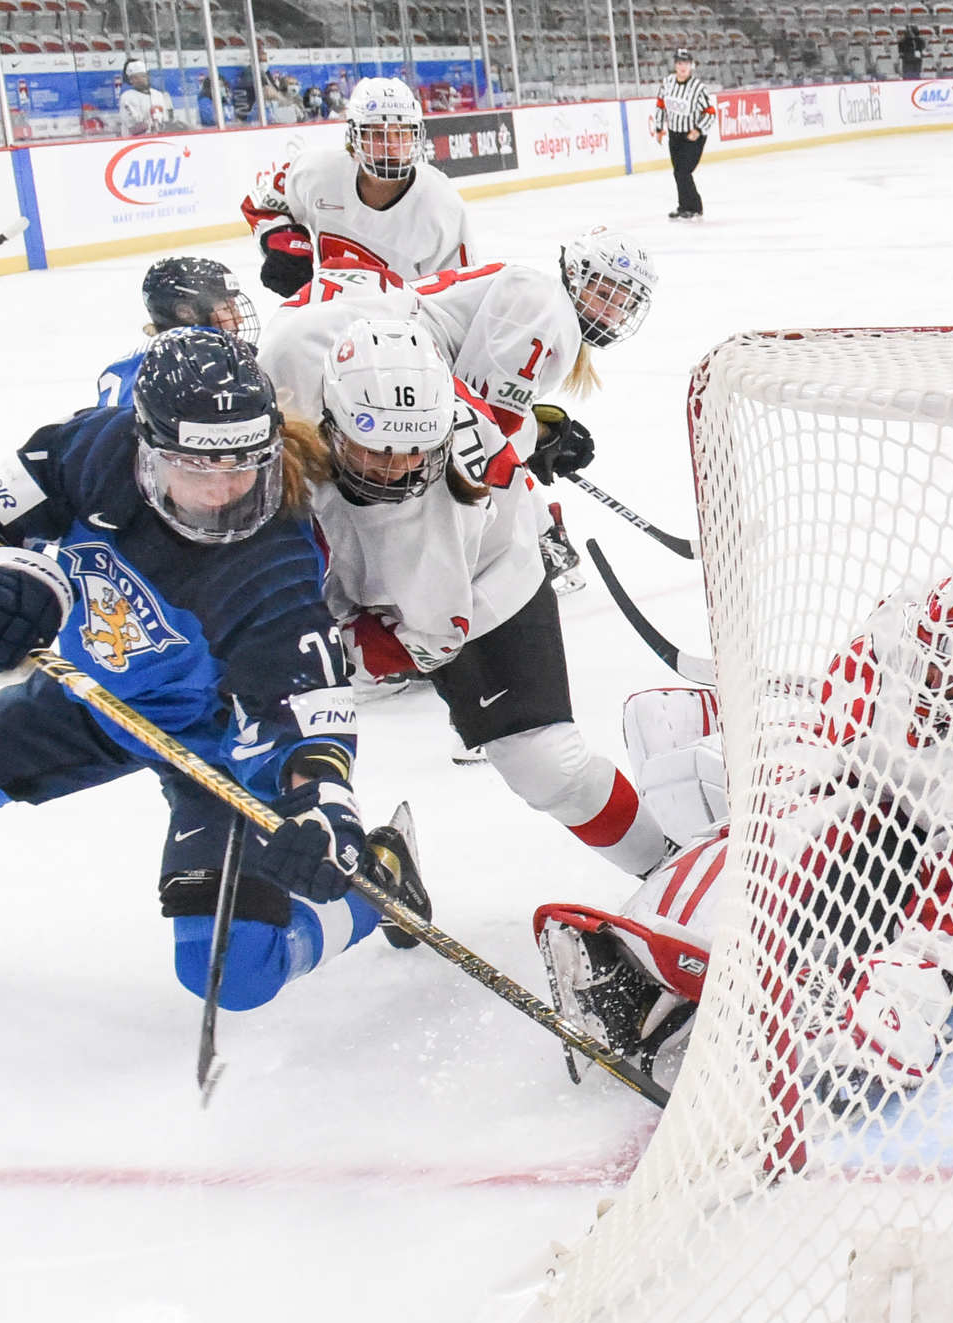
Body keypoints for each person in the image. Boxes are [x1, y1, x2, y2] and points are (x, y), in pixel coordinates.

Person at [0, 329, 431, 1004]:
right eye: (199, 469)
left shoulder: (274, 565)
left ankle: (380, 878)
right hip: (98, 698)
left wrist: (324, 807)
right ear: (147, 448)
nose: (227, 490)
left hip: (215, 747)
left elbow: (307, 710)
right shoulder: (90, 448)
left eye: (244, 465)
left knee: (230, 973)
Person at [534, 560, 953, 1104]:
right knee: (724, 765)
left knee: (859, 865)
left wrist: (907, 993)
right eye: (931, 663)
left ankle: (743, 962)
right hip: (913, 795)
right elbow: (853, 682)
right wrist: (836, 756)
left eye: (951, 676)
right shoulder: (908, 622)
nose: (933, 681)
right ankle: (657, 938)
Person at [292, 316, 674, 875]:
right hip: (404, 576)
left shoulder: (437, 514)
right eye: (376, 449)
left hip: (488, 587)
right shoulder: (346, 388)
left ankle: (662, 864)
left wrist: (336, 644)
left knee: (545, 764)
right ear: (333, 417)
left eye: (415, 451)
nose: (398, 471)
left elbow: (433, 636)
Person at [259, 227, 659, 595]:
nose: (612, 311)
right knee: (346, 491)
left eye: (624, 303)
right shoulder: (543, 303)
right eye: (604, 294)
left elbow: (477, 410)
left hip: (330, 341)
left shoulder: (539, 299)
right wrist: (538, 441)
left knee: (307, 482)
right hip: (344, 356)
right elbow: (485, 427)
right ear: (574, 273)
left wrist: (537, 433)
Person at [241, 75, 471, 299]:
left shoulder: (440, 204)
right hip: (331, 317)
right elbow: (261, 204)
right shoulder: (317, 172)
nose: (392, 146)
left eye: (402, 133)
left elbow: (459, 295)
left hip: (407, 322)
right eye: (378, 134)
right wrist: (284, 241)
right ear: (354, 136)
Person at [95, 256, 259, 408]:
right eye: (227, 309)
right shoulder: (199, 365)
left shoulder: (124, 364)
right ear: (186, 313)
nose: (239, 319)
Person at [651, 48, 715, 221]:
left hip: (693, 136)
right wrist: (659, 128)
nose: (683, 67)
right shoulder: (668, 83)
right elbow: (660, 105)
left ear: (691, 65)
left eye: (686, 63)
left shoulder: (698, 88)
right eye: (679, 63)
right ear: (675, 65)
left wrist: (698, 130)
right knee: (678, 172)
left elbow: (710, 112)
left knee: (684, 171)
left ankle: (695, 207)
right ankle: (684, 206)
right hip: (675, 134)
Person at [117, 57, 175, 136]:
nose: (140, 80)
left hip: (159, 139)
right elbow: (133, 128)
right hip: (136, 141)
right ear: (130, 80)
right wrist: (152, 125)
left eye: (143, 76)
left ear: (147, 77)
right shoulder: (127, 97)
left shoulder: (158, 95)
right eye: (136, 78)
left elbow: (167, 120)